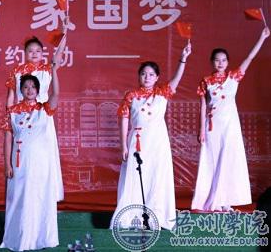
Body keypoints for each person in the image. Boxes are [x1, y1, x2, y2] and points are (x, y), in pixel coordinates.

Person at [111, 41, 192, 230]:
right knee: (135, 176)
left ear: (157, 78)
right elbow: (124, 119)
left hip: (158, 143)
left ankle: (156, 216)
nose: (147, 77)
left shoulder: (163, 93)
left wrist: (183, 59)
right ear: (139, 76)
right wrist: (123, 145)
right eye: (143, 74)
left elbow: (177, 79)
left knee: (157, 177)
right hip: (137, 142)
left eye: (151, 74)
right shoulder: (131, 95)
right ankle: (132, 217)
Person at [191, 27, 270, 212]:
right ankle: (213, 200)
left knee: (228, 160)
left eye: (223, 60)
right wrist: (201, 130)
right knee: (213, 160)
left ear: (228, 62)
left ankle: (225, 200)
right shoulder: (206, 81)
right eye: (217, 60)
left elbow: (249, 58)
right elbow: (203, 106)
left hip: (230, 125)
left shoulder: (233, 77)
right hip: (212, 126)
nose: (220, 63)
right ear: (212, 62)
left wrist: (262, 38)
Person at [4, 20, 68, 203]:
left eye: (38, 51)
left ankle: (45, 193)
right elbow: (10, 96)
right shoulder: (17, 71)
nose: (34, 54)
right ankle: (22, 194)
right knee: (22, 155)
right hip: (21, 117)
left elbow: (59, 53)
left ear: (42, 53)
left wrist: (64, 31)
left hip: (42, 115)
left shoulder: (48, 69)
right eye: (30, 51)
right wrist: (9, 115)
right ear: (24, 53)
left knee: (43, 153)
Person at [1, 67, 61, 251]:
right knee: (19, 197)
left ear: (38, 89)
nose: (29, 90)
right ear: (21, 90)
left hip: (40, 163)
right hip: (19, 161)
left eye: (33, 87)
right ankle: (18, 238)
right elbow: (8, 139)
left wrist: (54, 70)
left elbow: (56, 94)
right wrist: (7, 164)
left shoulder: (45, 109)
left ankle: (40, 238)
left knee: (39, 197)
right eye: (26, 87)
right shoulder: (12, 112)